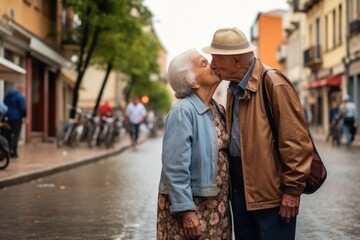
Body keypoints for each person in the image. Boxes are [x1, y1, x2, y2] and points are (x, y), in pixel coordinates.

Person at [202, 27, 313, 240]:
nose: (212, 64)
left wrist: (292, 190)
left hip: (270, 192)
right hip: (241, 187)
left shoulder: (273, 82)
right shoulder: (233, 89)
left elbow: (295, 140)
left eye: (216, 58)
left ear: (236, 61)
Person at [157, 49, 231, 239]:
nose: (213, 65)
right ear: (192, 82)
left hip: (216, 206)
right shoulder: (182, 112)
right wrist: (186, 211)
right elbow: (174, 168)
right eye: (204, 64)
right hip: (193, 208)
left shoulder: (216, 108)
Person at [3, 84, 27, 158]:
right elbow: (23, 108)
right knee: (15, 135)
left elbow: (4, 105)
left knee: (7, 135)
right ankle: (13, 153)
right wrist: (24, 116)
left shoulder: (7, 95)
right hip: (16, 119)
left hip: (6, 117)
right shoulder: (20, 97)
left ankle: (6, 151)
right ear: (20, 89)